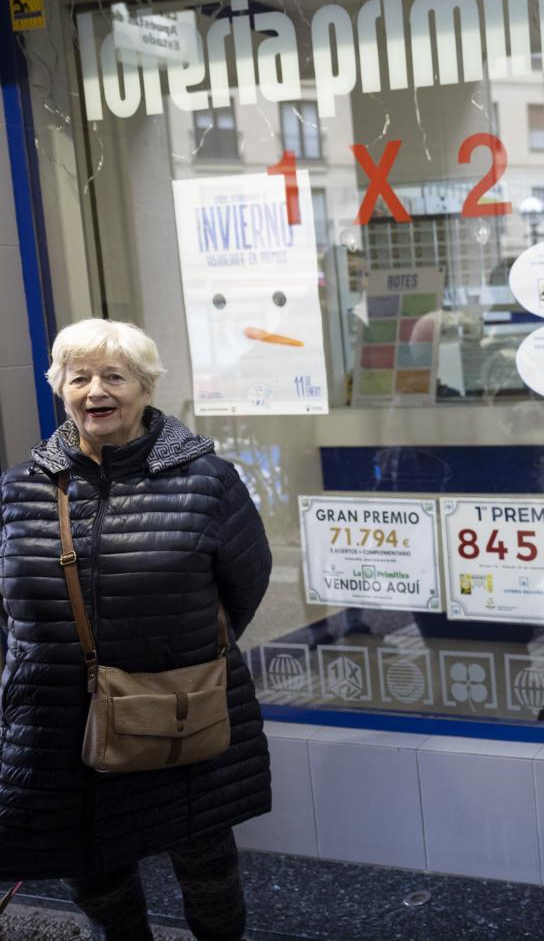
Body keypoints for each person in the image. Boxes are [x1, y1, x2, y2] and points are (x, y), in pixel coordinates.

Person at [0, 318, 272, 941]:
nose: (96, 390)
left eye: (114, 376)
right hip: (61, 719)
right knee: (93, 871)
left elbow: (245, 586)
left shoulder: (206, 481)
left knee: (204, 863)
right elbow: (11, 605)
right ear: (61, 389)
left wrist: (179, 648)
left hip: (177, 707)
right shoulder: (22, 487)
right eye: (80, 376)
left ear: (145, 388)